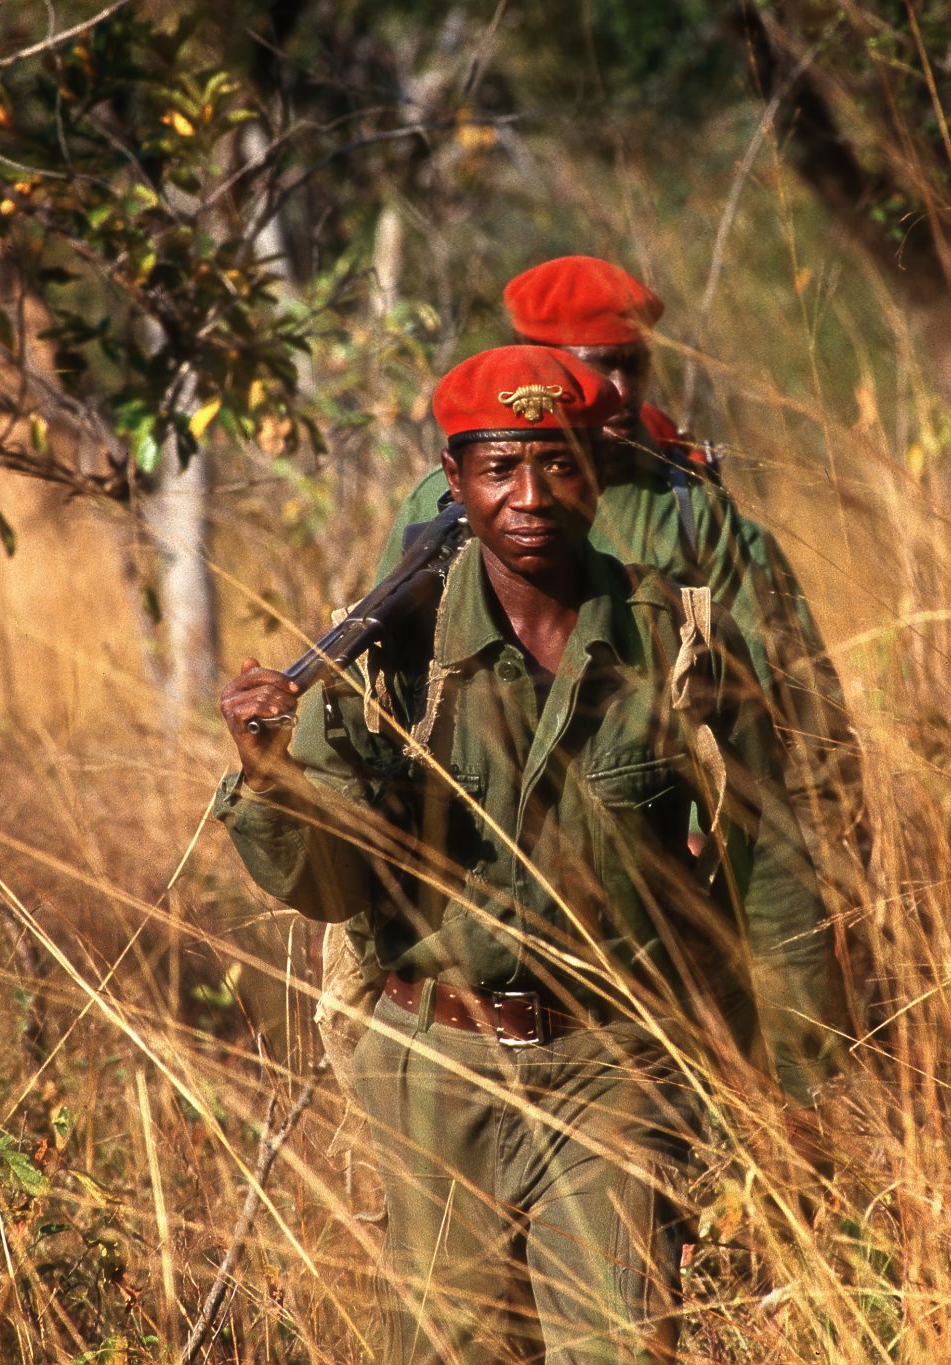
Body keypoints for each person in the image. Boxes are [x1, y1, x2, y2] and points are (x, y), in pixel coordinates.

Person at [213, 346, 851, 1362]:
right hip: (432, 1060)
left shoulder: (675, 637)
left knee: (617, 1344)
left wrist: (796, 1082)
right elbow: (322, 883)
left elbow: (771, 863)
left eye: (556, 464)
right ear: (452, 481)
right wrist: (268, 774)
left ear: (594, 474)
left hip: (615, 1059)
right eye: (498, 467)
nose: (528, 496)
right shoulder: (381, 654)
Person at [318, 256, 868, 1078]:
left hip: (650, 891)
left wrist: (814, 910)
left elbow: (790, 715)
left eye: (630, 365)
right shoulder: (445, 502)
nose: (614, 389)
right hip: (464, 892)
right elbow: (392, 690)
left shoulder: (689, 507)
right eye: (589, 366)